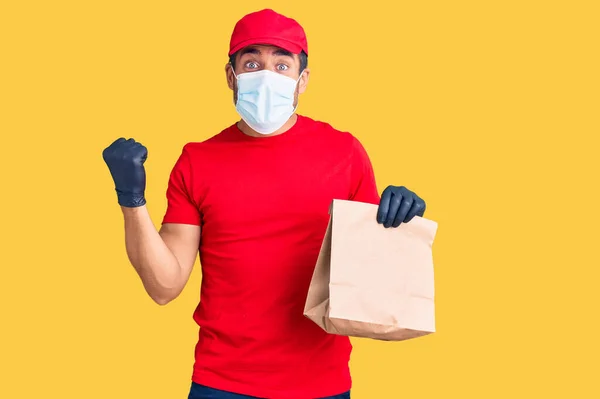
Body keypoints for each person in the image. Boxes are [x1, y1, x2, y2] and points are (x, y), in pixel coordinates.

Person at [102, 8, 426, 399]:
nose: (266, 76)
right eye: (252, 63)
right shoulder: (196, 160)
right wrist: (131, 200)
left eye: (281, 65)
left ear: (302, 80)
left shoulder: (345, 153)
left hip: (322, 385)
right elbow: (164, 286)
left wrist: (399, 223)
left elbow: (371, 283)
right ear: (231, 76)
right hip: (221, 384)